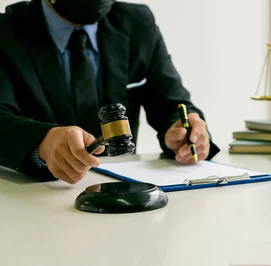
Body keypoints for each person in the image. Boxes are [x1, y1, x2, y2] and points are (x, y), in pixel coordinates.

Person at [0, 0, 220, 184]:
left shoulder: (137, 23)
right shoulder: (6, 32)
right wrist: (41, 141)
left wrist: (185, 132)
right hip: (38, 196)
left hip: (124, 190)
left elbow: (173, 103)